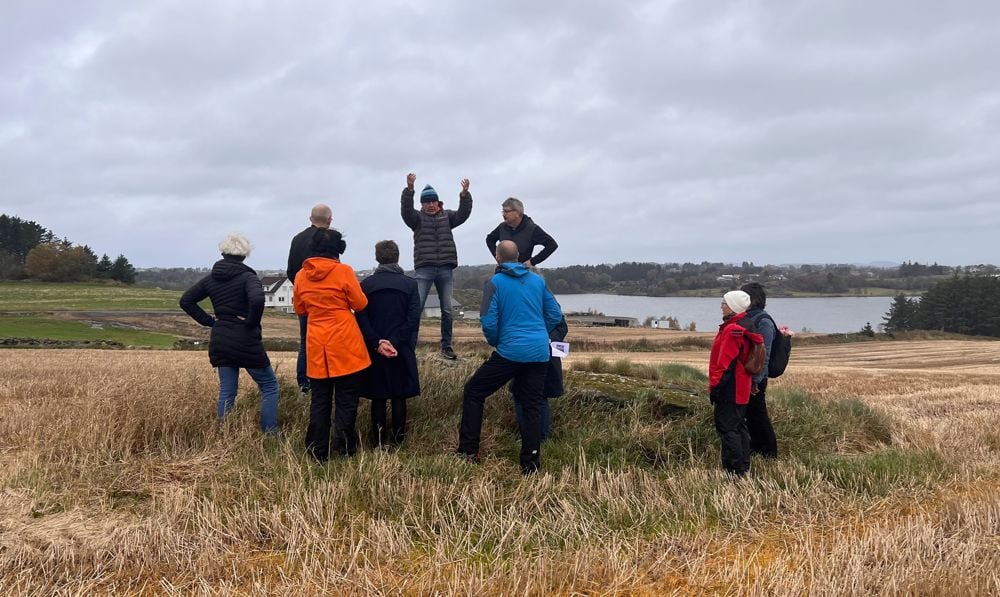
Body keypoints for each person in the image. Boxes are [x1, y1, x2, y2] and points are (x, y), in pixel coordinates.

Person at [456, 240, 564, 475]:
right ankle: (530, 463)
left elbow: (488, 321)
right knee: (533, 405)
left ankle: (468, 450)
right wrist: (538, 334)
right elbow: (555, 314)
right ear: (519, 256)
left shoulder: (494, 283)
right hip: (538, 352)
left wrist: (497, 341)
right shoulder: (537, 281)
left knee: (474, 391)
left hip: (510, 352)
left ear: (498, 258)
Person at [180, 233, 279, 433]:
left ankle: (224, 434)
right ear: (244, 255)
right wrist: (251, 322)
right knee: (269, 386)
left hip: (221, 338)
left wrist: (210, 322)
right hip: (245, 339)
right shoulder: (248, 277)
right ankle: (270, 433)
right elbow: (258, 301)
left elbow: (186, 300)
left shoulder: (211, 278)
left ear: (223, 253)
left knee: (227, 391)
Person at [293, 228, 370, 461]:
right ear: (338, 251)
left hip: (317, 343)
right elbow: (360, 303)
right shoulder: (343, 271)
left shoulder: (300, 276)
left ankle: (318, 451)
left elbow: (300, 309)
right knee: (346, 399)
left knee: (320, 400)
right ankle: (345, 448)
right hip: (345, 341)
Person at [355, 240, 422, 447]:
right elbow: (413, 319)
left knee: (378, 396)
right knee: (399, 395)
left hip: (374, 349)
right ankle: (399, 440)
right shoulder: (410, 285)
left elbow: (361, 318)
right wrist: (394, 342)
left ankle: (377, 442)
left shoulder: (365, 285)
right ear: (397, 256)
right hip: (400, 348)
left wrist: (377, 342)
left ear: (377, 258)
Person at [400, 173, 472, 360]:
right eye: (427, 202)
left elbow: (463, 214)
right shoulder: (416, 219)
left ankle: (446, 346)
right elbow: (406, 211)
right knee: (417, 308)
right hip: (424, 269)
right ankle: (410, 346)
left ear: (438, 202)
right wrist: (409, 190)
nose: (430, 205)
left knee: (447, 309)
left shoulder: (448, 216)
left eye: (433, 201)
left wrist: (464, 195)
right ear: (422, 204)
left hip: (445, 269)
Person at [707, 290, 764, 477]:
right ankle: (743, 467)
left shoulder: (732, 330)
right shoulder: (745, 325)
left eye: (724, 303)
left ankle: (734, 471)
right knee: (739, 427)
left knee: (728, 428)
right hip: (742, 386)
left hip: (730, 387)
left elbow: (724, 364)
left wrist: (715, 388)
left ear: (732, 307)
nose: (721, 306)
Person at [287, 203, 333, 394]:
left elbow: (291, 271)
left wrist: (303, 288)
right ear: (329, 221)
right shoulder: (330, 240)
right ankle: (326, 381)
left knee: (306, 341)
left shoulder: (297, 240)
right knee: (329, 340)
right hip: (328, 300)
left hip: (305, 300)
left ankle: (304, 385)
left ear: (310, 218)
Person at [511, 315, 567, 442]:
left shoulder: (544, 299)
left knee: (539, 396)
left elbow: (561, 326)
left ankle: (540, 438)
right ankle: (529, 437)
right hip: (522, 352)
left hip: (541, 354)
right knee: (520, 394)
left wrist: (548, 339)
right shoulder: (546, 297)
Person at [741, 282, 779, 458]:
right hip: (749, 377)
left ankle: (769, 452)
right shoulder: (750, 318)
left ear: (751, 300)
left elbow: (764, 355)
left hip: (756, 379)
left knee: (759, 415)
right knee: (751, 415)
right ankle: (756, 447)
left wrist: (756, 381)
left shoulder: (763, 321)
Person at [484, 197, 558, 267]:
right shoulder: (502, 227)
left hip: (523, 272)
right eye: (503, 211)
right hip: (504, 270)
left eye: (506, 211)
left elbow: (551, 245)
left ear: (517, 213)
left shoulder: (531, 229)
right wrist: (498, 258)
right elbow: (489, 240)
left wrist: (532, 261)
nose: (503, 214)